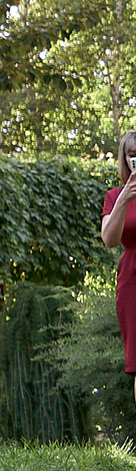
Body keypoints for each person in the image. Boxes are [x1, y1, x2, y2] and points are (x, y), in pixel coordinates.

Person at [102, 133, 136, 407]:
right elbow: (109, 240)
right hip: (132, 282)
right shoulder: (114, 196)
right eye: (132, 153)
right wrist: (125, 198)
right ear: (125, 158)